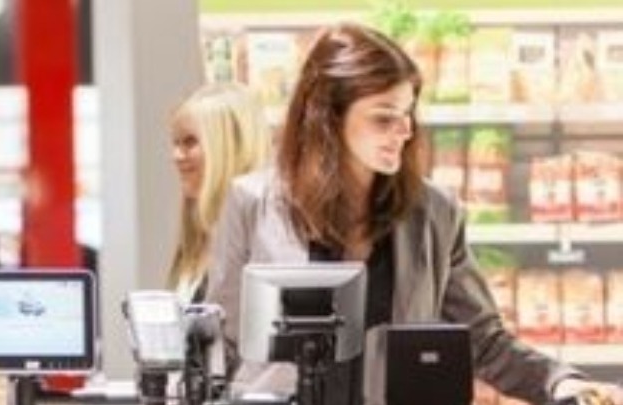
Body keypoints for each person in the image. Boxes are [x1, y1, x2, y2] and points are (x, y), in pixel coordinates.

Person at [205, 23, 623, 405]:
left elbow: (482, 340)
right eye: (383, 118)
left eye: (407, 114)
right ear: (328, 116)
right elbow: (221, 343)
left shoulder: (434, 214)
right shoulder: (252, 203)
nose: (404, 131)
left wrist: (560, 382)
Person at [167, 82, 272, 303]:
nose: (176, 156)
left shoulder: (263, 239)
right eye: (175, 143)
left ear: (228, 148)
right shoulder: (196, 240)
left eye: (189, 142)